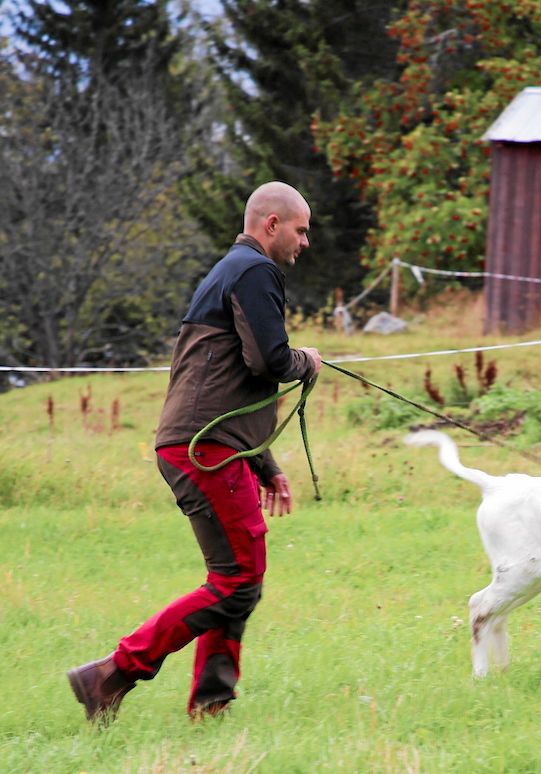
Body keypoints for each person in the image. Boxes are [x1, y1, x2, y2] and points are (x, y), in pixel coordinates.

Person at [67, 181, 323, 721]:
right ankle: (111, 674)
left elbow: (227, 377)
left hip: (206, 445)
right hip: (204, 449)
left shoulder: (232, 270)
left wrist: (265, 463)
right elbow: (267, 361)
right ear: (270, 225)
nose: (305, 242)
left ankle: (210, 704)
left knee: (234, 580)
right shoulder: (255, 271)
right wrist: (309, 361)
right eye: (300, 230)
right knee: (238, 579)